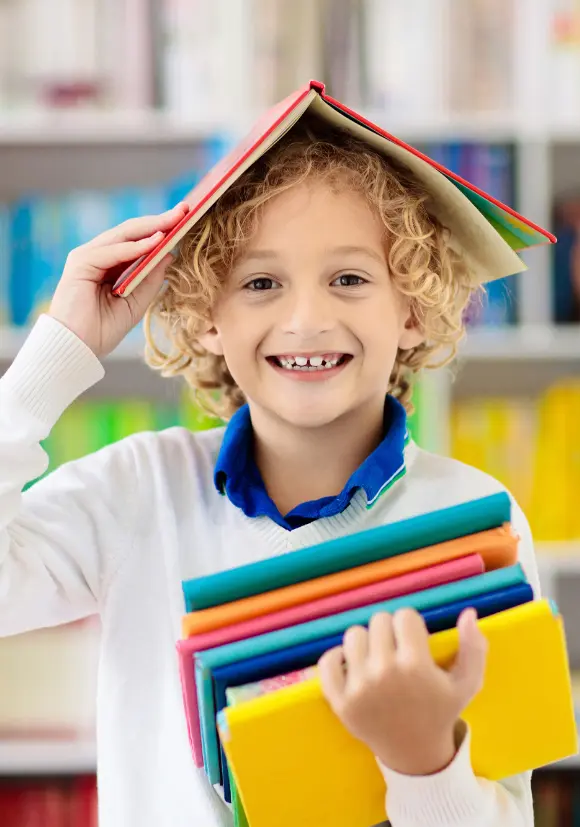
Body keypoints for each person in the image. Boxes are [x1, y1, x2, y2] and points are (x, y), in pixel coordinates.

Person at [0, 115, 539, 827]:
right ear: (205, 318)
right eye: (260, 282)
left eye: (349, 277)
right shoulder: (136, 490)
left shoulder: (478, 517)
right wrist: (55, 358)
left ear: (410, 308)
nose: (305, 317)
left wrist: (425, 760)